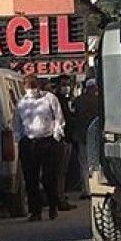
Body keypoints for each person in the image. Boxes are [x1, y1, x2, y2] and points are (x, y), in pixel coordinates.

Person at [13, 74, 66, 221]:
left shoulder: (49, 98)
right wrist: (18, 138)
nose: (31, 90)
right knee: (31, 179)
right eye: (29, 88)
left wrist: (56, 136)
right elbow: (16, 123)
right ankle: (35, 211)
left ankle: (53, 205)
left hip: (47, 141)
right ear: (24, 88)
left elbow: (58, 118)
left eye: (33, 87)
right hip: (29, 142)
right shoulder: (21, 103)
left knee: (48, 177)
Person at [71, 77, 102, 199]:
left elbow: (75, 114)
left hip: (82, 135)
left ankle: (86, 190)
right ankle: (98, 185)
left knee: (83, 163)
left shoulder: (79, 100)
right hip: (97, 136)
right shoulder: (100, 100)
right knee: (97, 161)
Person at [52, 75, 77, 211]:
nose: (66, 87)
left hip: (66, 139)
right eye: (63, 84)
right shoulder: (56, 100)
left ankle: (60, 196)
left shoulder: (64, 100)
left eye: (67, 84)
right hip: (61, 140)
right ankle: (59, 199)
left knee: (62, 171)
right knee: (60, 172)